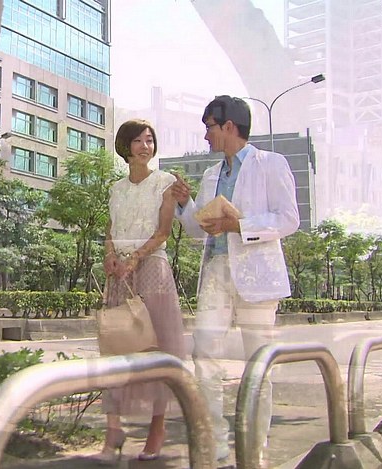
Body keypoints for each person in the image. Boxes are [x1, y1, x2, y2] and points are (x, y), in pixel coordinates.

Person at [169, 96, 300, 467]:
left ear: (229, 126)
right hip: (216, 272)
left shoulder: (270, 164)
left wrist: (239, 225)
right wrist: (186, 204)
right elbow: (199, 230)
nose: (205, 135)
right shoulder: (212, 175)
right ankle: (215, 444)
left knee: (258, 365)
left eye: (209, 127)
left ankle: (254, 452)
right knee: (204, 355)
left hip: (257, 275)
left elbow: (288, 219)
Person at [93, 119, 186, 465]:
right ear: (125, 146)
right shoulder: (116, 189)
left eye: (150, 140)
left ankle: (156, 429)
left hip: (151, 269)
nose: (145, 146)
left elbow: (163, 231)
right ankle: (113, 429)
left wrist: (135, 257)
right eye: (138, 141)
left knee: (156, 346)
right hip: (119, 273)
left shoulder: (165, 182)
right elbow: (110, 229)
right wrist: (109, 256)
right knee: (116, 346)